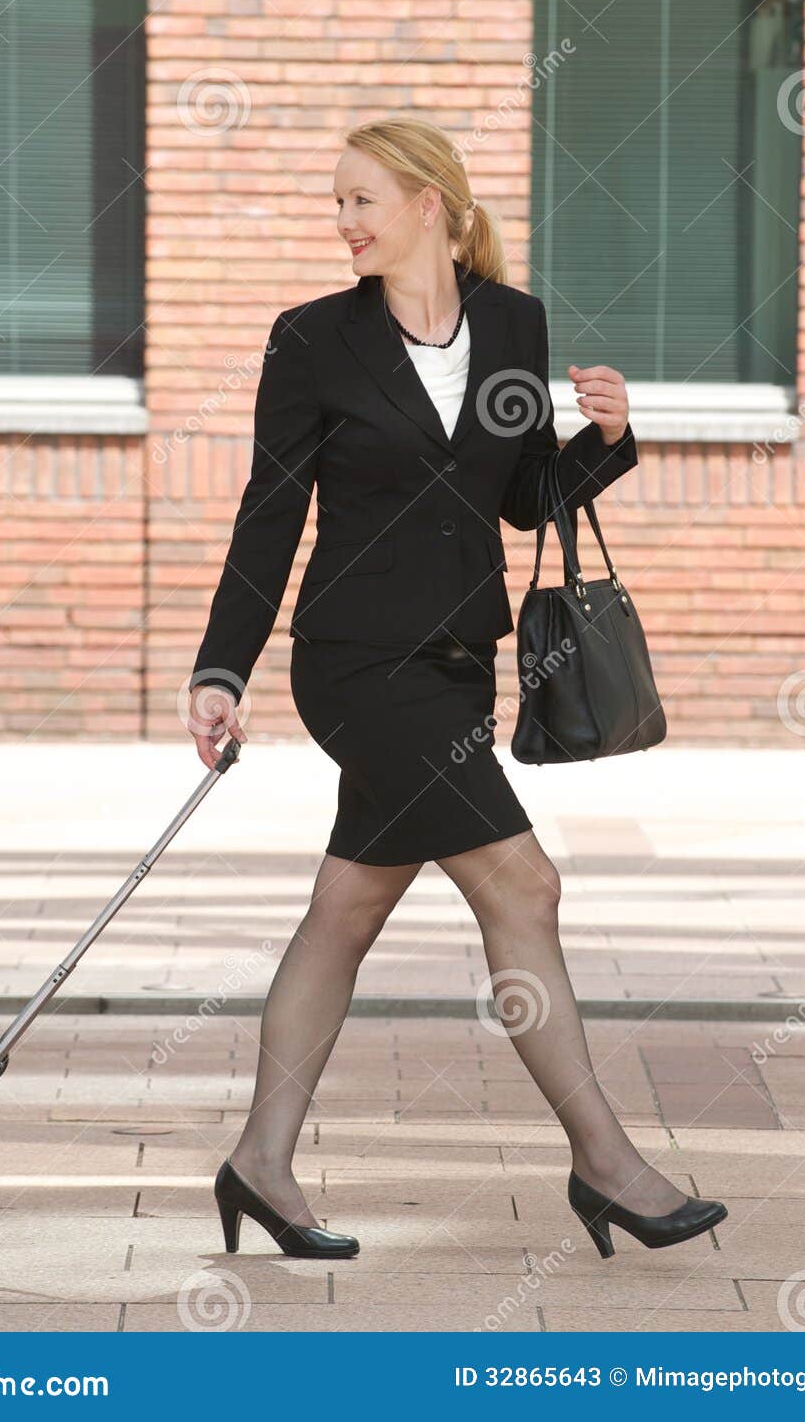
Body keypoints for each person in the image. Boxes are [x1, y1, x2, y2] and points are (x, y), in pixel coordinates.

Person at [188, 116, 726, 1262]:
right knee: (523, 885)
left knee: (346, 911)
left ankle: (259, 1163)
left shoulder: (511, 323)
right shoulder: (312, 341)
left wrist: (607, 441)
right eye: (337, 201)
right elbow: (268, 512)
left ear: (430, 203)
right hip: (355, 665)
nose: (341, 222)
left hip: (455, 663)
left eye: (360, 200)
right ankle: (605, 1160)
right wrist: (221, 667)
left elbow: (525, 496)